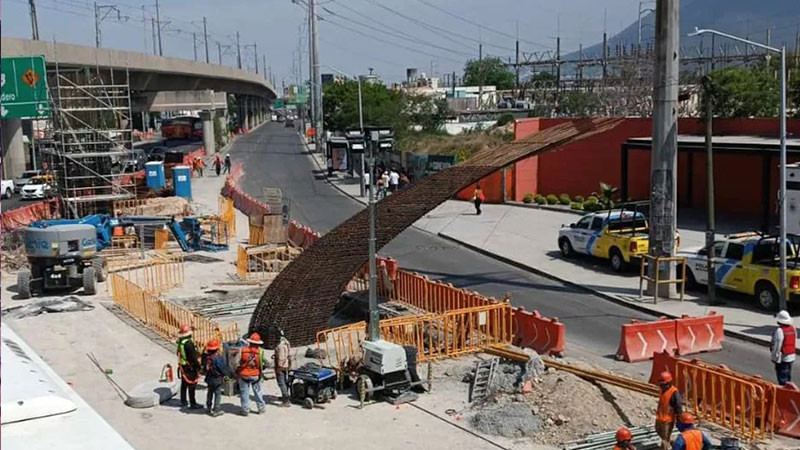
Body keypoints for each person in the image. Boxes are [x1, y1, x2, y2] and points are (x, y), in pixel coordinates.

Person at [237, 332, 267, 416]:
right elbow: (266, 364)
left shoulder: (242, 350)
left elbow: (236, 363)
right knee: (258, 392)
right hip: (255, 375)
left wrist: (237, 371)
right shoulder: (260, 352)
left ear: (250, 342)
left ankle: (245, 410)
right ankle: (261, 408)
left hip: (244, 375)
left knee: (244, 393)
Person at [176, 324, 203, 410]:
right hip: (190, 366)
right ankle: (193, 403)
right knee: (191, 385)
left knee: (184, 384)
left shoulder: (181, 341)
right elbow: (193, 357)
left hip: (183, 365)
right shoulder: (188, 344)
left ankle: (183, 401)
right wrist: (199, 367)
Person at [655, 371, 683, 450]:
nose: (661, 386)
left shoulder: (674, 392)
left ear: (669, 383)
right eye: (661, 384)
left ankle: (664, 448)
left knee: (665, 438)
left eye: (663, 384)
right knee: (658, 431)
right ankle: (670, 442)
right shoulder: (662, 390)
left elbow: (678, 406)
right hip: (660, 417)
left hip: (668, 419)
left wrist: (679, 418)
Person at [201, 338, 227, 417]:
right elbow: (222, 368)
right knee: (217, 394)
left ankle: (208, 407)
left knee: (210, 393)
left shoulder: (205, 357)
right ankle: (216, 409)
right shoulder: (217, 358)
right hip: (217, 379)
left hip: (209, 378)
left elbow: (203, 367)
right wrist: (226, 374)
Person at [771, 310, 796, 385]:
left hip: (782, 358)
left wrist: (774, 358)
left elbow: (777, 346)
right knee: (788, 375)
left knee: (782, 378)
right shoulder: (793, 328)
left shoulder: (779, 330)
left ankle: (784, 393)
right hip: (791, 356)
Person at [272, 331, 292, 407]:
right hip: (286, 365)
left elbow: (281, 358)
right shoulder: (286, 343)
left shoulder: (280, 346)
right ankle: (285, 396)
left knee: (281, 383)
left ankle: (286, 400)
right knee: (285, 382)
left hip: (281, 367)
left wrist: (278, 368)